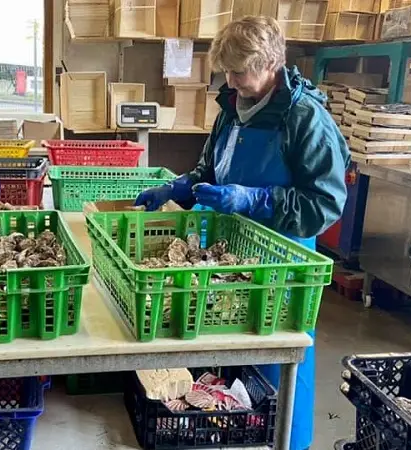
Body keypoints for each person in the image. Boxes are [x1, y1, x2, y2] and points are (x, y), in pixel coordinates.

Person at [135, 15, 349, 450]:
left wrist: (256, 200)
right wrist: (180, 187)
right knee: (231, 369)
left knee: (276, 366)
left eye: (239, 70)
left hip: (283, 266)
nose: (230, 80)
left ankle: (289, 441)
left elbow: (325, 204)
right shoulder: (232, 107)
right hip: (232, 258)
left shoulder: (304, 117)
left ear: (271, 62)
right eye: (226, 71)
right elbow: (209, 169)